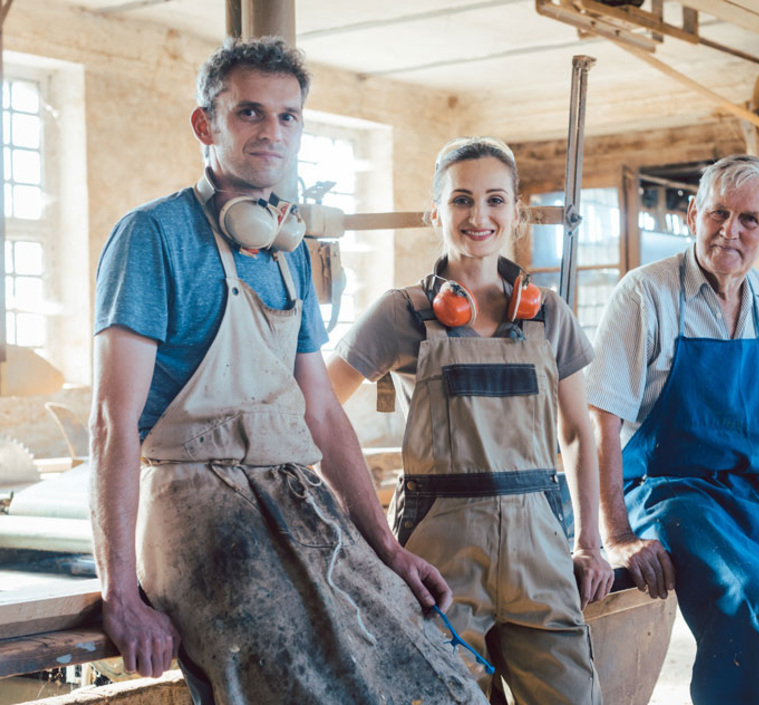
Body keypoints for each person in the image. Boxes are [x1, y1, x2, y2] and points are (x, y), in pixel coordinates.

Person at [89, 36, 487, 705]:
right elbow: (111, 423)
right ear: (205, 124)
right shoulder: (152, 236)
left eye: (288, 116)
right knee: (310, 685)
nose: (271, 131)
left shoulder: (286, 251)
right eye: (249, 113)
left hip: (295, 496)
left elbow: (324, 415)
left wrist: (388, 550)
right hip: (201, 508)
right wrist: (119, 593)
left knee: (436, 673)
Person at [327, 136, 613, 705]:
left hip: (542, 558)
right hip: (439, 563)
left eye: (495, 200)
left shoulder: (549, 314)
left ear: (517, 213)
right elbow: (317, 408)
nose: (478, 216)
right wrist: (373, 537)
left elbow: (579, 430)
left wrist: (590, 541)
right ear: (435, 212)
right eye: (460, 200)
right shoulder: (401, 313)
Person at [587, 155, 759, 705]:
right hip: (673, 491)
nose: (730, 230)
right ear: (692, 214)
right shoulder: (645, 294)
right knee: (749, 595)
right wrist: (618, 536)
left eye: (750, 219)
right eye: (718, 212)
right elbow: (601, 421)